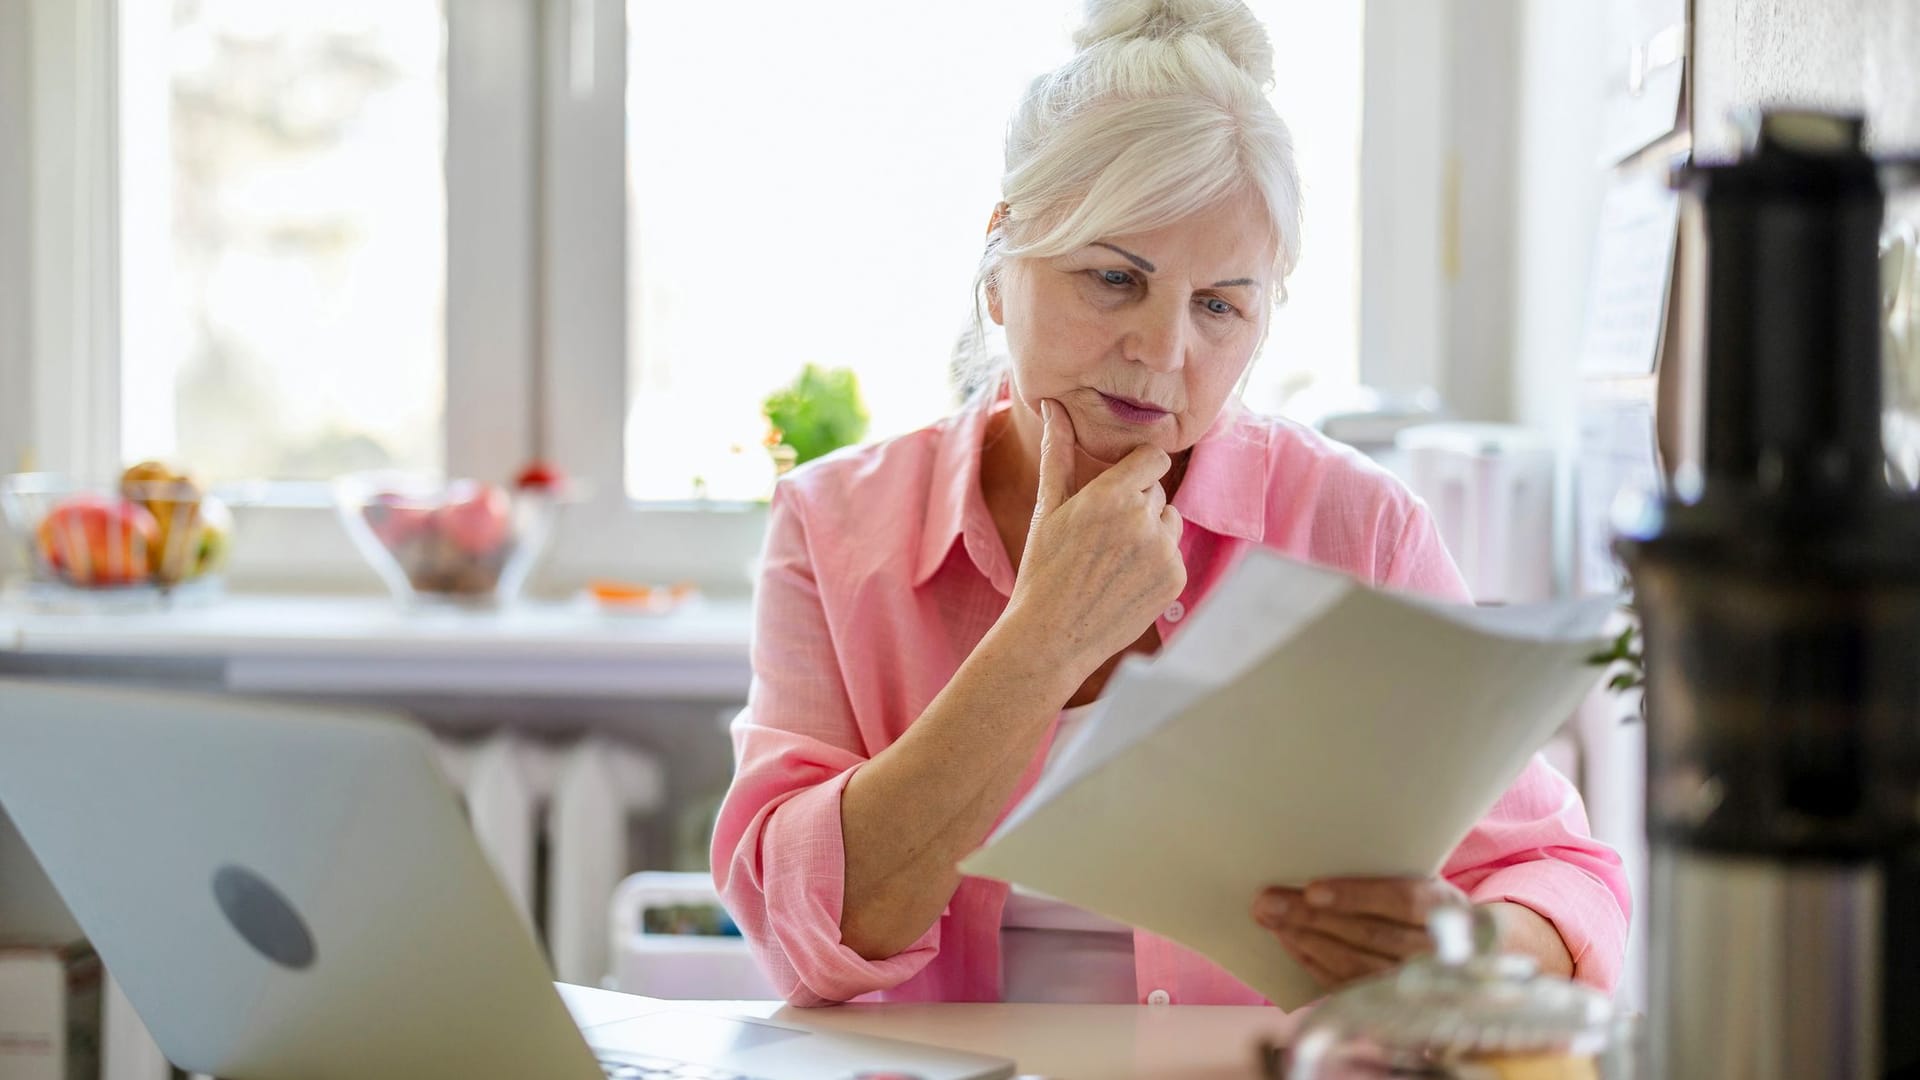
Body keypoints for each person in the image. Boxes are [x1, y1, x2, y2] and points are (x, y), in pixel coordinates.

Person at [711, 0, 1629, 1008]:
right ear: (999, 267)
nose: (1163, 352)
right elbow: (806, 938)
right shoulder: (835, 527)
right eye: (1113, 279)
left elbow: (1569, 879)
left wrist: (1461, 949)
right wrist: (1044, 640)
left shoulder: (1356, 529)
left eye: (1221, 304)